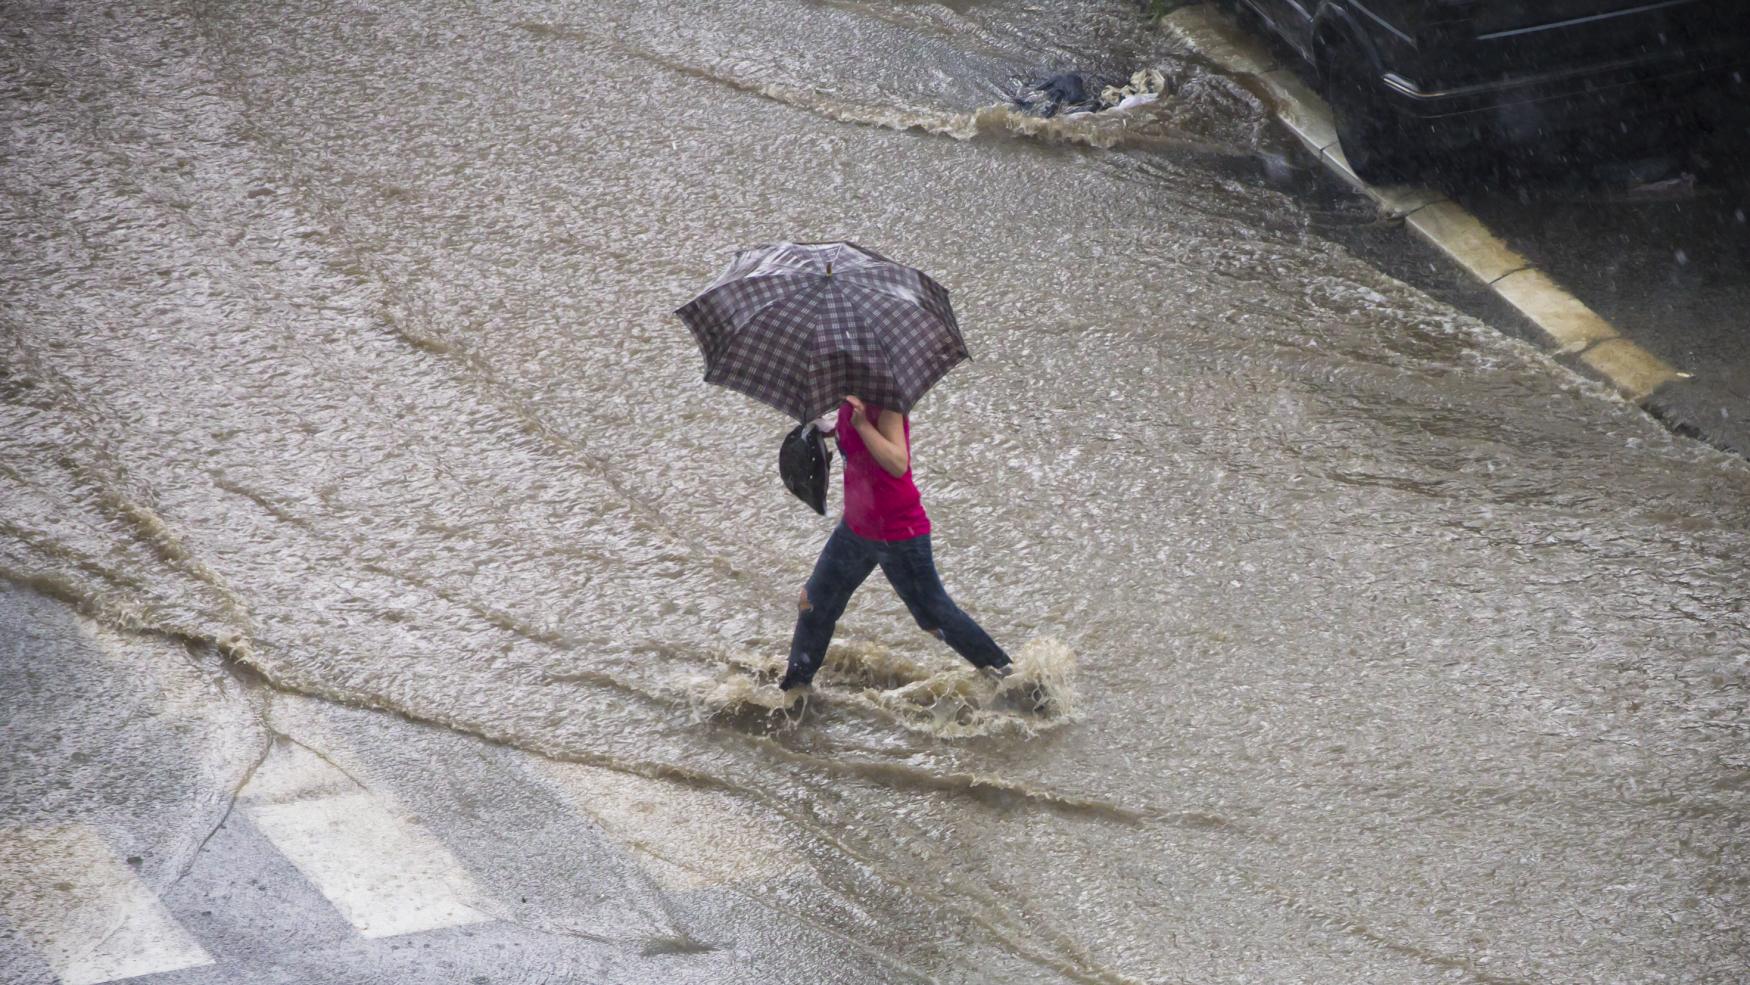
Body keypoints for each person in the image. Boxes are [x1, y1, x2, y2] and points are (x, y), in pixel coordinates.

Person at [780, 395, 1013, 691]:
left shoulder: (885, 400)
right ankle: (795, 692)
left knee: (933, 616)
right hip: (856, 529)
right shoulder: (849, 397)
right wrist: (823, 426)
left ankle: (1011, 680)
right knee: (814, 604)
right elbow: (848, 435)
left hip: (898, 533)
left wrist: (863, 425)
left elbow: (897, 462)